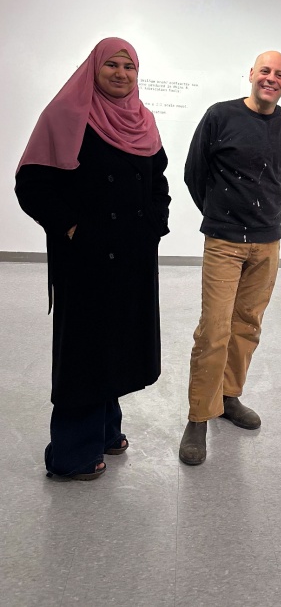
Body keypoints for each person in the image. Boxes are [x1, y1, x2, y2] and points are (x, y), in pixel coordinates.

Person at [15, 38, 170, 480]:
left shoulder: (143, 120)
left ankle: (105, 429)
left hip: (133, 256)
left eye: (129, 66)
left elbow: (157, 181)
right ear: (94, 68)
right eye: (112, 65)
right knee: (85, 353)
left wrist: (155, 225)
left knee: (116, 343)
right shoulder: (65, 114)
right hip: (86, 259)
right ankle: (71, 454)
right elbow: (32, 185)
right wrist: (72, 229)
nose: (121, 73)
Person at [180, 50, 281, 466]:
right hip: (224, 241)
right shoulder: (220, 115)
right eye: (265, 70)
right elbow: (194, 173)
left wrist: (263, 218)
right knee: (213, 331)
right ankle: (199, 416)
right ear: (251, 74)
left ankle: (229, 397)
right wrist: (220, 216)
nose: (271, 78)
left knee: (247, 325)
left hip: (267, 242)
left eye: (279, 74)